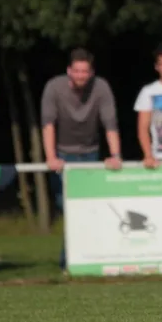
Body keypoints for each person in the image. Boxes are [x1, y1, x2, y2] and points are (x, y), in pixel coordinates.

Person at [41, 47, 122, 271]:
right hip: (63, 155)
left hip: (90, 153)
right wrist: (51, 157)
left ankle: (78, 260)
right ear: (69, 70)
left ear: (91, 72)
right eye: (76, 71)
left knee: (87, 209)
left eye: (85, 71)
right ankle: (70, 260)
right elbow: (48, 124)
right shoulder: (54, 87)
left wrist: (115, 156)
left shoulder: (101, 87)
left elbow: (110, 124)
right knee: (66, 207)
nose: (80, 76)